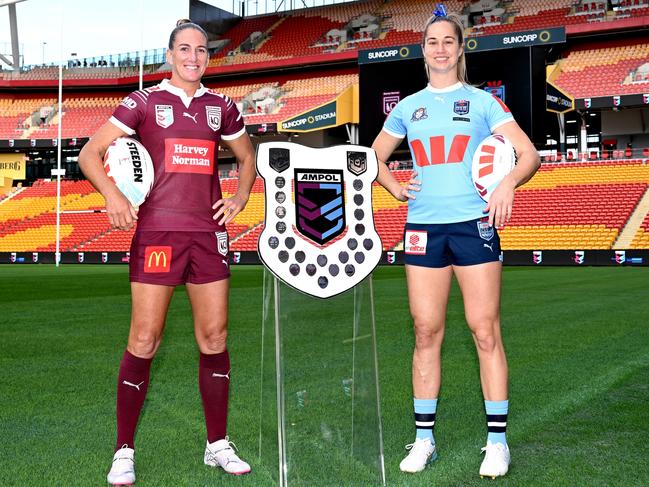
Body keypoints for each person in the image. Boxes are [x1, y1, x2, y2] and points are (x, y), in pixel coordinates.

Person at [78, 19, 256, 486]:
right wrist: (114, 197)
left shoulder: (222, 107)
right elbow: (89, 153)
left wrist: (238, 198)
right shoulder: (143, 102)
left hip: (208, 233)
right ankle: (123, 449)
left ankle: (216, 443)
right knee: (144, 339)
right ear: (171, 54)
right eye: (184, 49)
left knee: (214, 338)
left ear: (207, 57)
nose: (193, 57)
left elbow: (247, 156)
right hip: (158, 232)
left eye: (201, 50)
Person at [373, 5, 540, 479]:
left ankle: (497, 443)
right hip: (423, 229)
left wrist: (507, 183)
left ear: (460, 48)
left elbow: (528, 154)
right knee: (426, 332)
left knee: (484, 330)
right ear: (423, 51)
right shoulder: (407, 107)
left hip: (474, 226)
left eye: (449, 40)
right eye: (432, 42)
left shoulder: (484, 102)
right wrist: (396, 187)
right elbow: (373, 158)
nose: (440, 48)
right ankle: (424, 439)